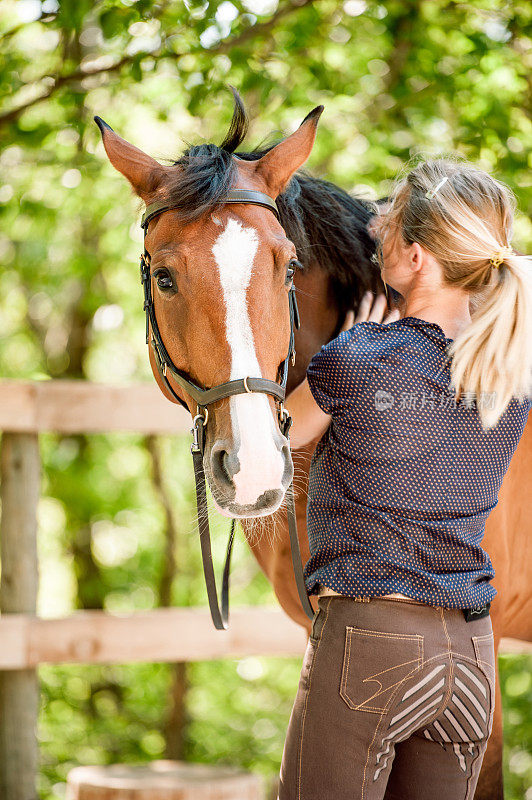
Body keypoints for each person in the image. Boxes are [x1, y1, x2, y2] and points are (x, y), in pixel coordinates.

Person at [277, 159, 532, 800]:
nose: (375, 226)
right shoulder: (508, 374)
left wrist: (353, 345)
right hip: (472, 657)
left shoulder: (357, 359)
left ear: (416, 258)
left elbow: (274, 443)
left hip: (372, 642)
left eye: (390, 220)